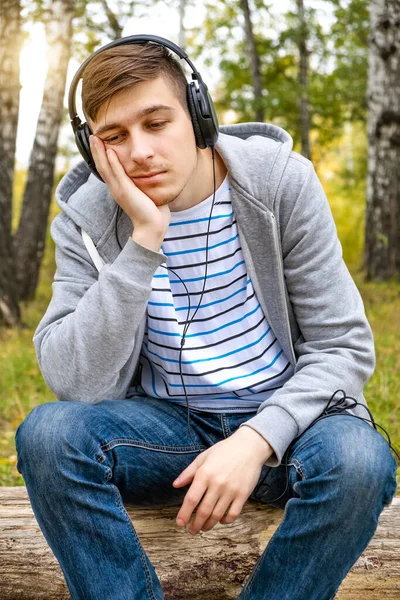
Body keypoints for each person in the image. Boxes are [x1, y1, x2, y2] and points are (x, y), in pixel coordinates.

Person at [15, 35, 397, 600]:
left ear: (199, 115)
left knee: (361, 459)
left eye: (156, 122)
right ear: (91, 147)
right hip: (168, 429)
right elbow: (76, 383)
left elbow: (343, 346)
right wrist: (143, 241)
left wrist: (254, 440)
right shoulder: (86, 219)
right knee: (49, 434)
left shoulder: (278, 183)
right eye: (114, 136)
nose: (139, 151)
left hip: (292, 425)